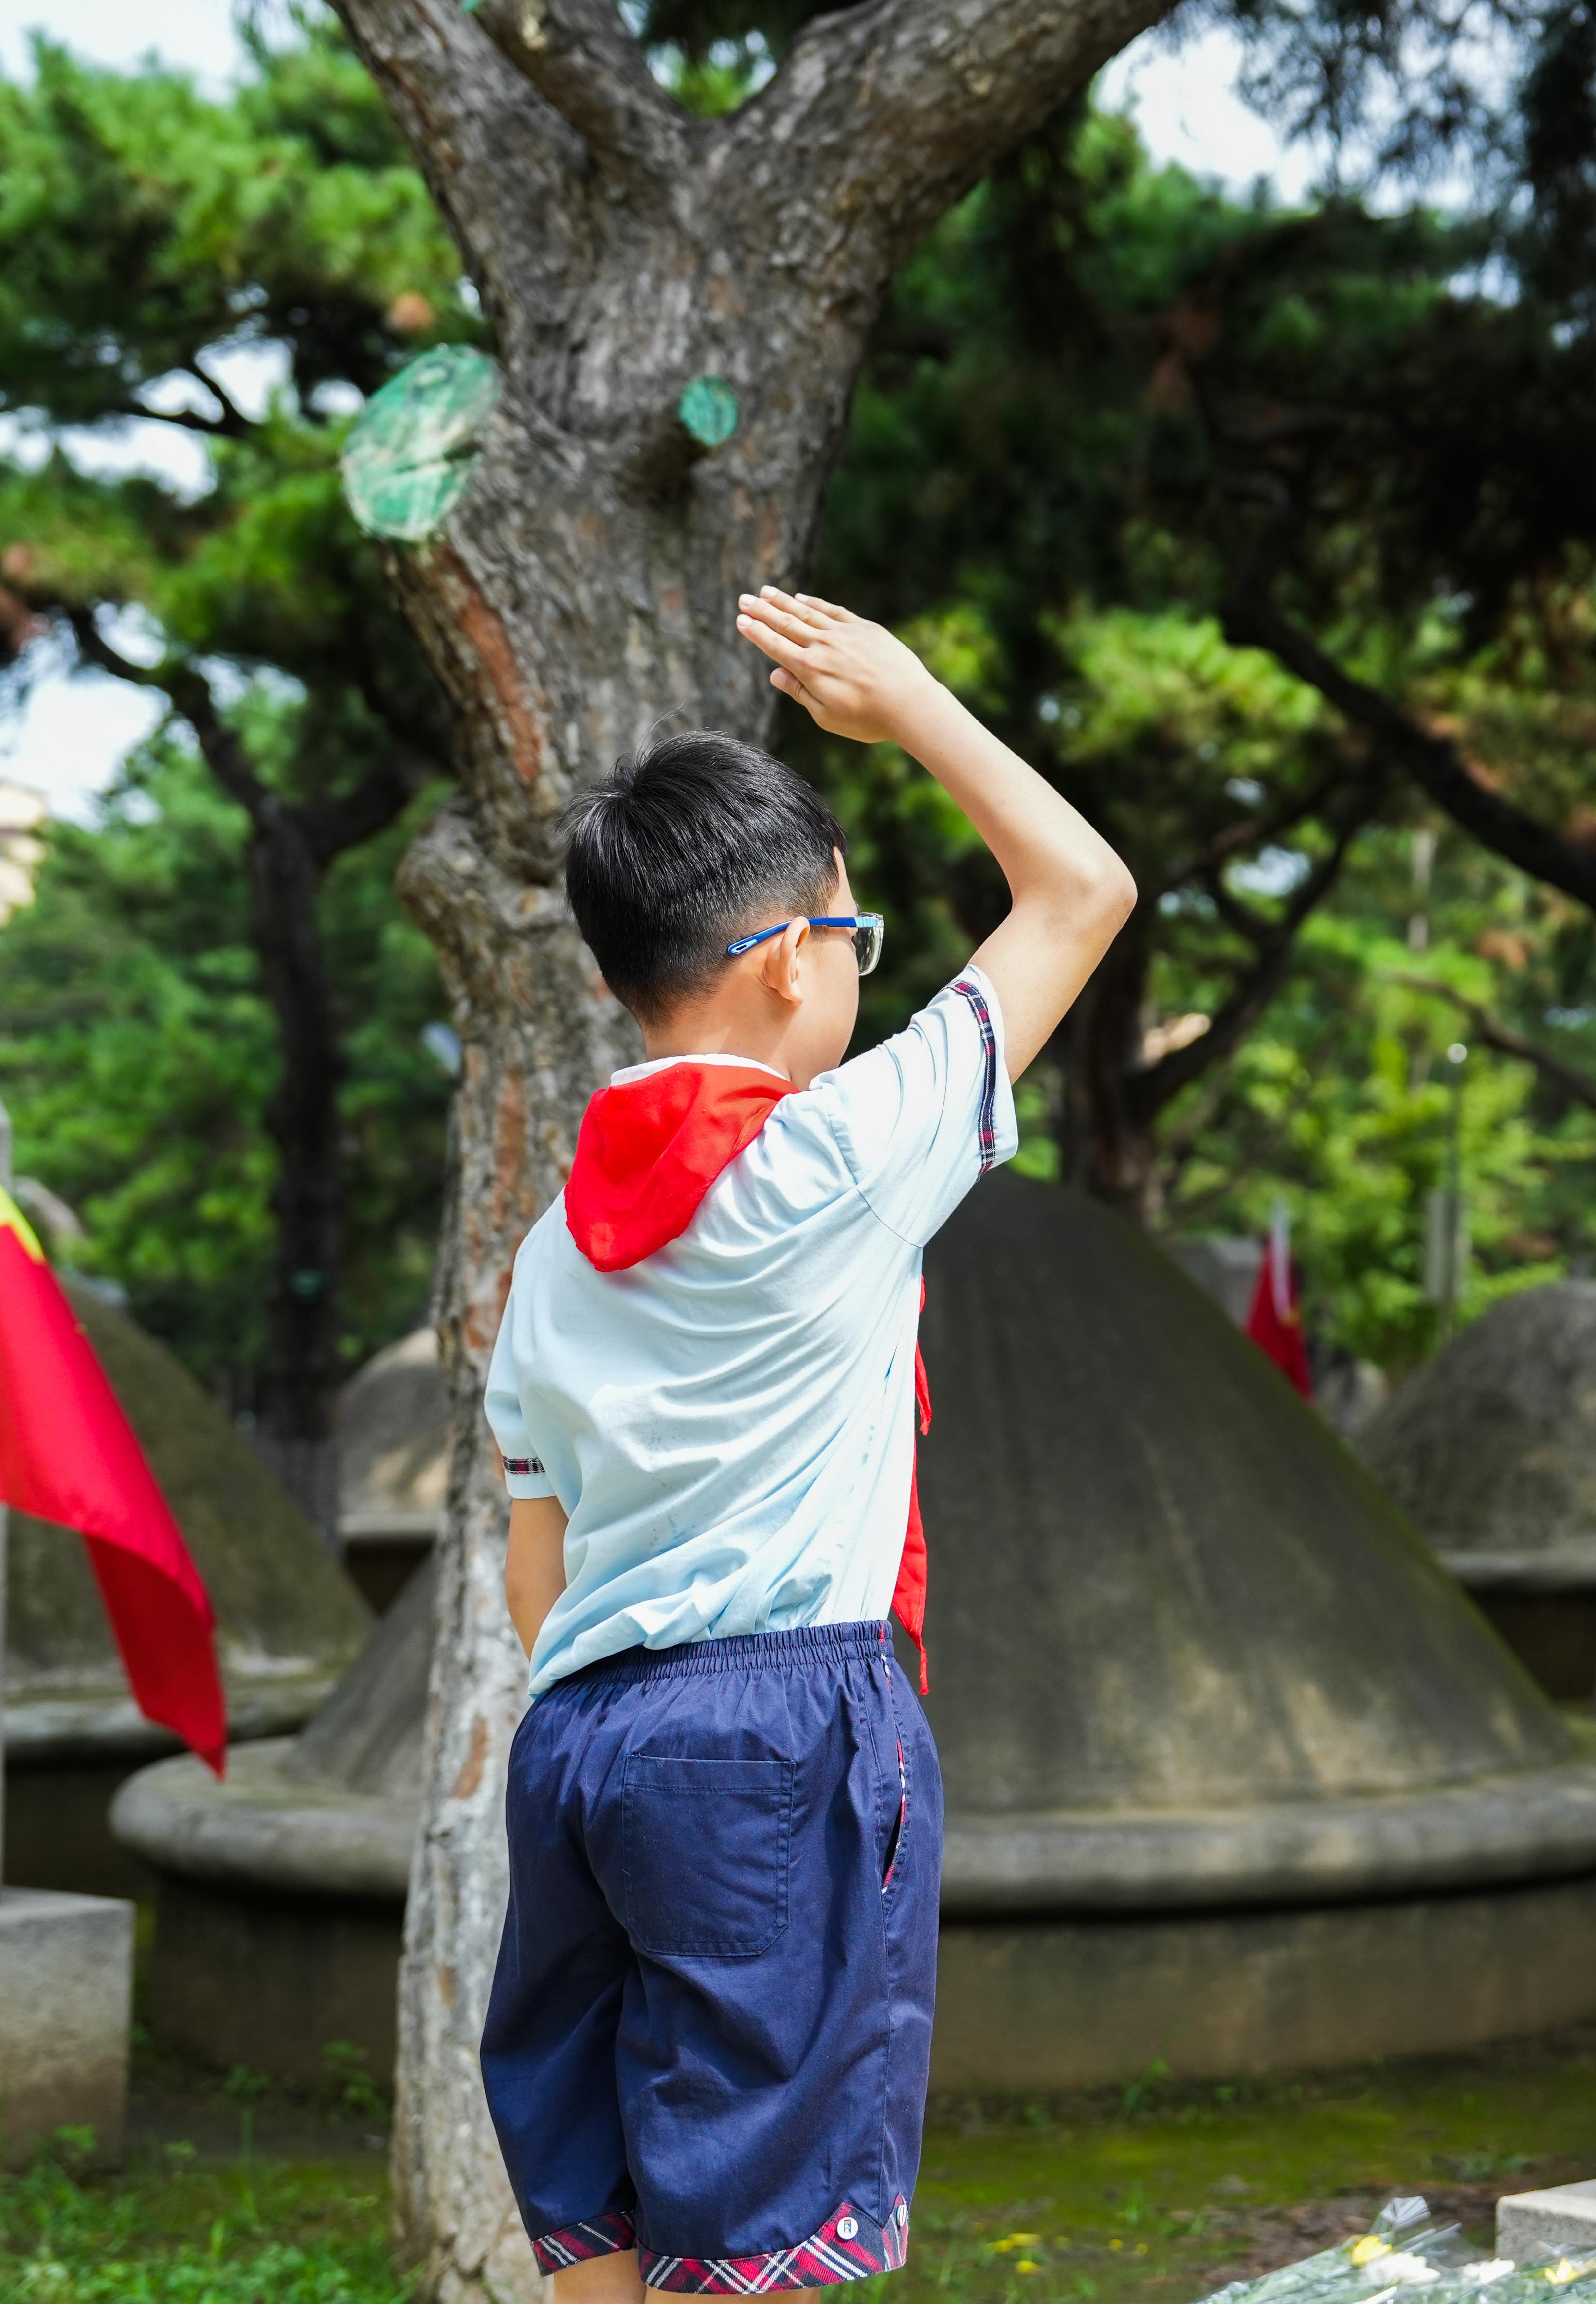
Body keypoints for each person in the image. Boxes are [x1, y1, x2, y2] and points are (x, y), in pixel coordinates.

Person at [476, 587, 1135, 2301]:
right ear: (786, 961)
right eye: (858, 941)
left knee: (605, 2218)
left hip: (581, 1744)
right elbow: (1084, 892)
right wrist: (912, 700)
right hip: (775, 1728)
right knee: (769, 2244)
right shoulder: (836, 1161)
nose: (868, 972)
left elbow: (534, 1565)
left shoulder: (541, 1258)